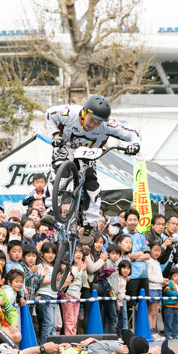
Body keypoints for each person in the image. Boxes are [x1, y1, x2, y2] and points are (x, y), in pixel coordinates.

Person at [43, 94, 141, 245]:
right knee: (59, 173)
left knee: (92, 185)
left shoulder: (108, 125)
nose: (93, 125)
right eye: (91, 120)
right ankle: (51, 210)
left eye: (98, 123)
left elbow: (133, 134)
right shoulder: (69, 112)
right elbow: (49, 114)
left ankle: (90, 225)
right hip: (66, 147)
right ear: (84, 112)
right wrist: (55, 134)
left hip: (87, 153)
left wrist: (135, 145)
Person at [61, 245, 88, 335]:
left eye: (80, 253)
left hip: (77, 296)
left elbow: (84, 281)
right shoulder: (69, 267)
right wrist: (79, 269)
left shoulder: (81, 267)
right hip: (68, 295)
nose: (78, 255)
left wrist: (83, 270)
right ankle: (69, 340)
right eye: (75, 252)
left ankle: (73, 339)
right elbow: (71, 278)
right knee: (69, 321)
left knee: (74, 320)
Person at [145, 244, 165, 341]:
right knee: (151, 311)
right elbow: (149, 276)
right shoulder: (149, 261)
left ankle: (154, 330)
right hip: (152, 288)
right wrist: (161, 280)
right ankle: (150, 330)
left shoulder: (157, 262)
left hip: (158, 288)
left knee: (156, 311)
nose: (157, 252)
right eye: (155, 250)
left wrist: (162, 281)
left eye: (159, 250)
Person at [162, 268, 178, 340]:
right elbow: (168, 292)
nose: (177, 278)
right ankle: (168, 334)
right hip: (169, 305)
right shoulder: (168, 284)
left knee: (177, 321)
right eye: (175, 276)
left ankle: (176, 334)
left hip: (177, 305)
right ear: (171, 276)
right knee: (169, 321)